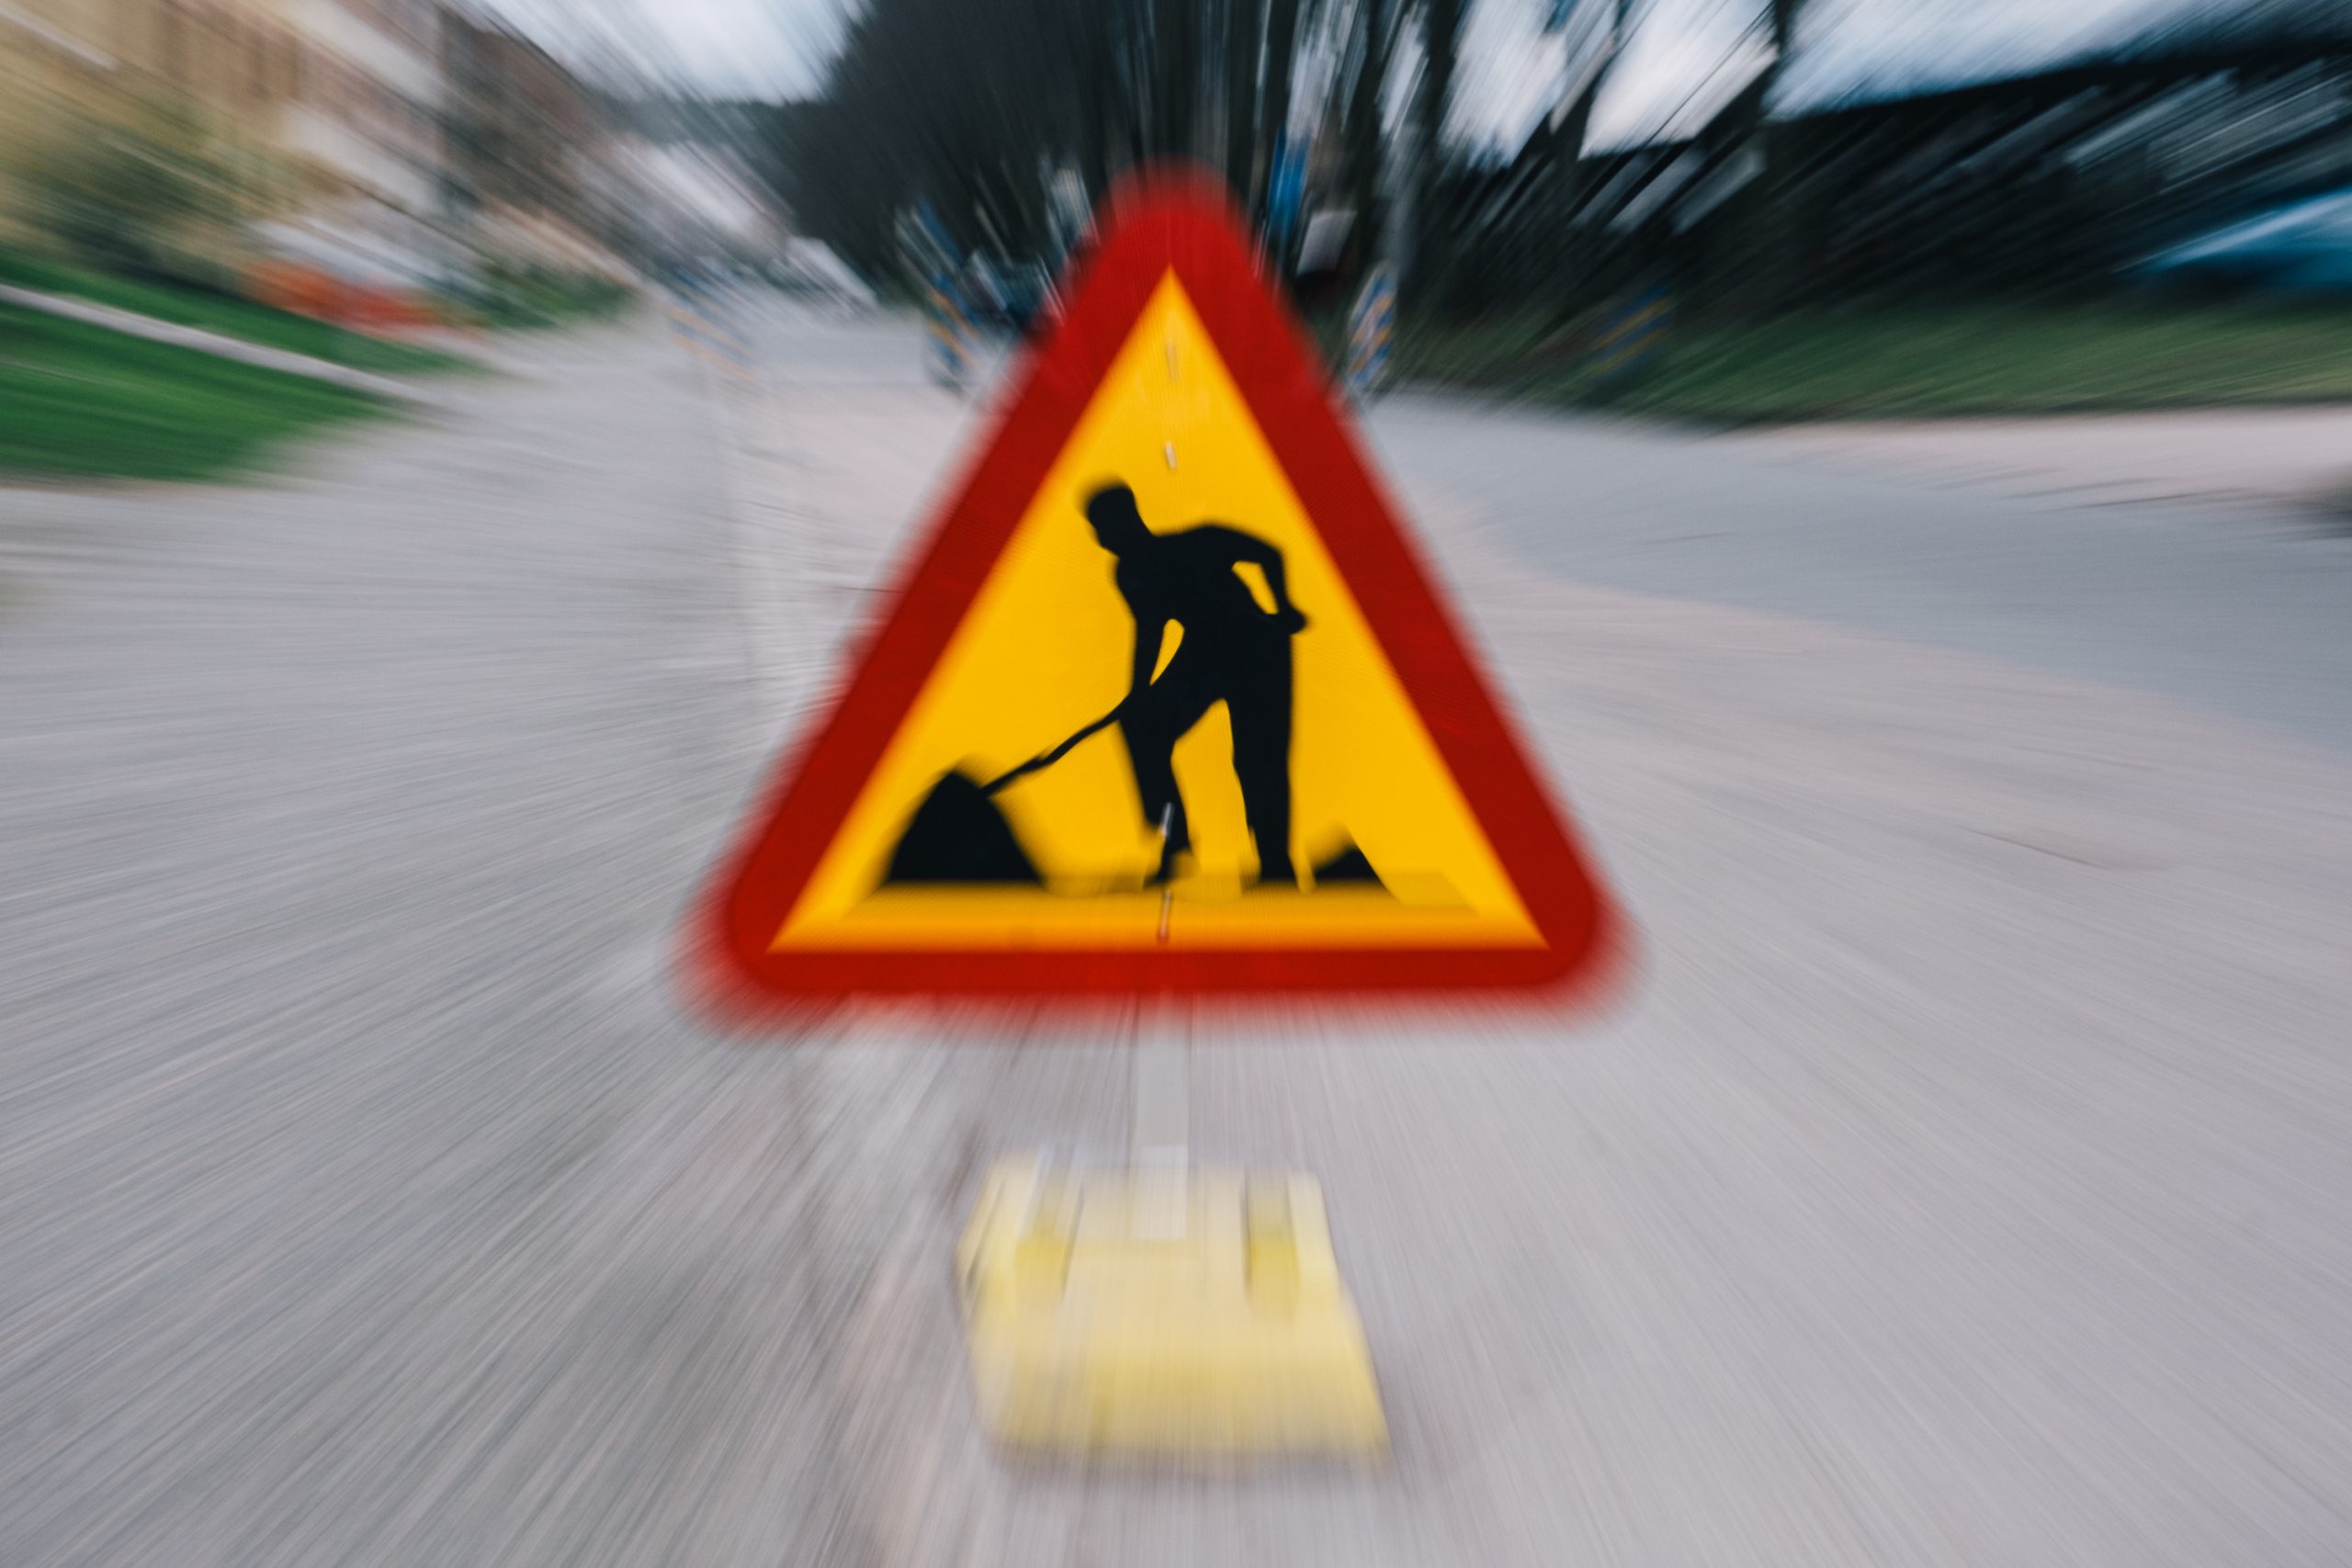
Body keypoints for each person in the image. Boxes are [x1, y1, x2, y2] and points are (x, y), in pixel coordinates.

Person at [1082, 482, 1307, 887]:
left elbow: (1268, 553)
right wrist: (1138, 695)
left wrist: (1284, 607)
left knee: (1257, 760)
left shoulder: (1199, 542)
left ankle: (1275, 866)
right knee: (1142, 727)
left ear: (1127, 520)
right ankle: (1176, 841)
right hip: (1202, 654)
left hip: (1255, 649)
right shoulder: (1129, 573)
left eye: (1104, 527)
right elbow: (1150, 631)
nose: (1100, 539)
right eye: (1096, 529)